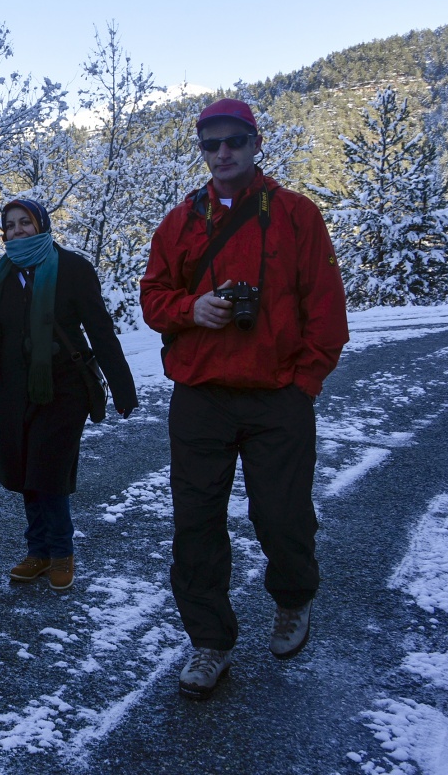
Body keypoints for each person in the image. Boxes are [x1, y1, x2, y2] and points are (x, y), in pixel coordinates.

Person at [140, 97, 348, 701]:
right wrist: (191, 309)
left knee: (282, 515)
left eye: (235, 141)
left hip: (277, 395)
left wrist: (303, 383)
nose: (223, 152)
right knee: (196, 524)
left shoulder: (296, 214)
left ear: (256, 144)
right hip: (201, 395)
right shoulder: (181, 222)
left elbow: (326, 308)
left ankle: (293, 597)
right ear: (203, 151)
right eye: (212, 144)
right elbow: (153, 296)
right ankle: (210, 641)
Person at [0, 198, 138, 591]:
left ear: (42, 225)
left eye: (24, 222)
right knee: (24, 471)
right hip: (15, 389)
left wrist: (122, 388)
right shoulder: (0, 272)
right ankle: (38, 552)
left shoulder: (73, 268)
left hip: (63, 388)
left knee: (47, 470)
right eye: (10, 225)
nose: (16, 231)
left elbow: (100, 330)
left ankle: (61, 552)